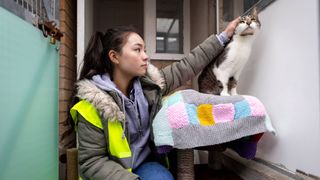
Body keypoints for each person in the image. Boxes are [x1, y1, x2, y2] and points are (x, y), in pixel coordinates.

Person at [69, 17, 240, 180]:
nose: (145, 56)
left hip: (145, 165)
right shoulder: (92, 104)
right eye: (137, 50)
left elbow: (186, 66)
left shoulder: (150, 85)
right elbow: (92, 162)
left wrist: (223, 37)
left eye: (145, 50)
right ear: (114, 57)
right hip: (112, 173)